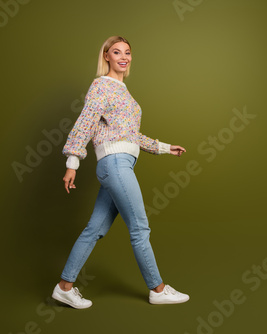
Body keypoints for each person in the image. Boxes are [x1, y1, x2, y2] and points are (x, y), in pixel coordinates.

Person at [51, 36, 189, 309]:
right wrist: (72, 163)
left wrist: (163, 147)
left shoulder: (123, 91)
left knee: (95, 229)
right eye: (117, 52)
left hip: (117, 165)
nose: (123, 57)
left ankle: (64, 287)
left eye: (127, 52)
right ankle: (158, 289)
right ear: (106, 56)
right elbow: (85, 122)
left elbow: (130, 135)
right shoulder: (101, 86)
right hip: (115, 165)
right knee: (139, 228)